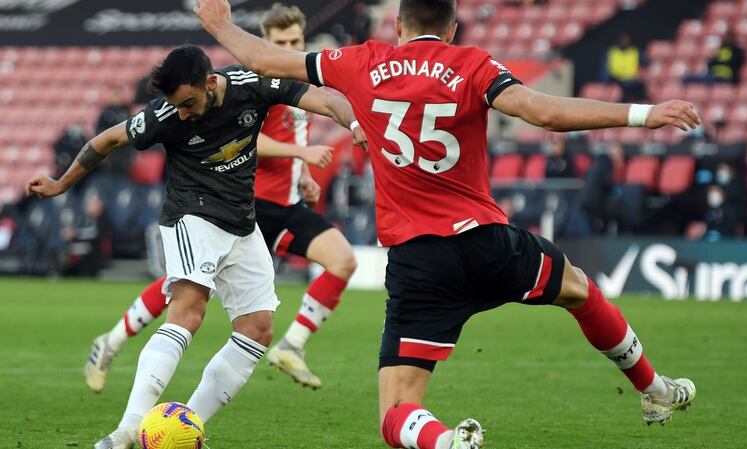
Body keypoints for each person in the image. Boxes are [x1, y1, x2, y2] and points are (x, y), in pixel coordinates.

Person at [195, 1, 702, 448]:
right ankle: (655, 391)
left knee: (397, 415)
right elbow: (543, 113)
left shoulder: (361, 61)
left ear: (397, 25)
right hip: (489, 243)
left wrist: (219, 23)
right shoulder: (473, 64)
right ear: (454, 27)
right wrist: (645, 113)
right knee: (580, 290)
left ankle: (451, 443)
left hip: (420, 263)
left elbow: (260, 59)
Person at [26, 44, 360, 449]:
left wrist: (355, 123)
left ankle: (184, 431)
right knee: (189, 311)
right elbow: (108, 140)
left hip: (241, 220)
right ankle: (128, 430)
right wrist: (63, 183)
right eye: (176, 105)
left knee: (257, 329)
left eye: (187, 102)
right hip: (192, 216)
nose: (181, 112)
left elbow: (321, 97)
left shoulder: (249, 84)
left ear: (210, 82)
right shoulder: (166, 115)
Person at [83, 3, 358, 396]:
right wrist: (301, 156)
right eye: (282, 42)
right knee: (187, 290)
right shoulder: (252, 82)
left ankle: (292, 345)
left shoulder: (296, 84)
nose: (291, 47)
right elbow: (246, 141)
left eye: (296, 40)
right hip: (244, 204)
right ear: (265, 44)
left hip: (285, 205)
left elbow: (294, 137)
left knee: (342, 260)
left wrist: (304, 173)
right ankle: (111, 340)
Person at [604, 33, 647, 102]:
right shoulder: (612, 52)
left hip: (634, 82)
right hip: (616, 81)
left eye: (626, 40)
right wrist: (607, 84)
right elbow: (605, 70)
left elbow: (646, 65)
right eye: (623, 40)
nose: (624, 42)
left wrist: (641, 73)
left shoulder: (636, 51)